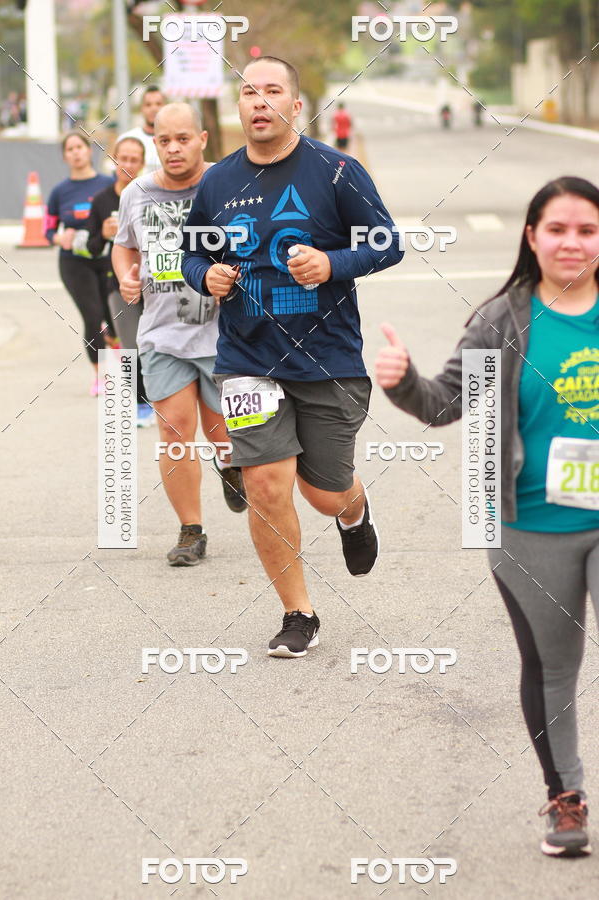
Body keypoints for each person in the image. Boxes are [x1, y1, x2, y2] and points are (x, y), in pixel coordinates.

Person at [375, 176, 599, 858]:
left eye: (586, 230)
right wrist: (403, 380)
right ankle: (566, 800)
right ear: (531, 236)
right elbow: (445, 402)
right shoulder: (503, 319)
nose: (572, 242)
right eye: (557, 229)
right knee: (552, 670)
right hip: (528, 528)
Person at [181, 56, 403, 658]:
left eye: (271, 91)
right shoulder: (219, 181)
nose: (258, 101)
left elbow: (387, 243)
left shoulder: (337, 172)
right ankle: (297, 612)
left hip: (329, 359)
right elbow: (190, 253)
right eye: (248, 92)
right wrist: (208, 276)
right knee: (267, 485)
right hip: (247, 358)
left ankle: (353, 513)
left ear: (296, 105)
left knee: (322, 492)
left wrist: (334, 263)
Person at [112, 102, 247, 566]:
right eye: (163, 140)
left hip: (223, 334)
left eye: (182, 139)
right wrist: (127, 278)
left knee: (221, 432)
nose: (172, 148)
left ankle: (231, 466)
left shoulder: (228, 184)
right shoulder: (138, 192)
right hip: (162, 334)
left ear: (202, 139)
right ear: (154, 141)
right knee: (175, 432)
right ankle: (192, 530)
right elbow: (124, 247)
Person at [86, 136, 156, 427]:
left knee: (154, 344)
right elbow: (89, 248)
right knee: (130, 346)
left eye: (133, 160)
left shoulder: (150, 194)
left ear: (141, 164)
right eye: (122, 158)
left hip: (154, 282)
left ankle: (156, 397)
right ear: (113, 160)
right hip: (117, 283)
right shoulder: (102, 201)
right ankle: (140, 403)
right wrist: (102, 234)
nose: (126, 165)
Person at [45, 132, 115, 396]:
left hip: (107, 258)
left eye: (80, 147)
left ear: (89, 151)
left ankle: (119, 355)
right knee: (92, 316)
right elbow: (48, 228)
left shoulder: (107, 183)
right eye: (70, 149)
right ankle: (100, 375)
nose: (76, 152)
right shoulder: (60, 191)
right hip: (74, 263)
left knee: (114, 317)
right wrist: (57, 238)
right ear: (65, 156)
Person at [117, 85, 165, 174]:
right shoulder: (126, 139)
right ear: (141, 108)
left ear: (165, 106)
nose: (153, 109)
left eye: (158, 104)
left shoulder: (175, 141)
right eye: (148, 104)